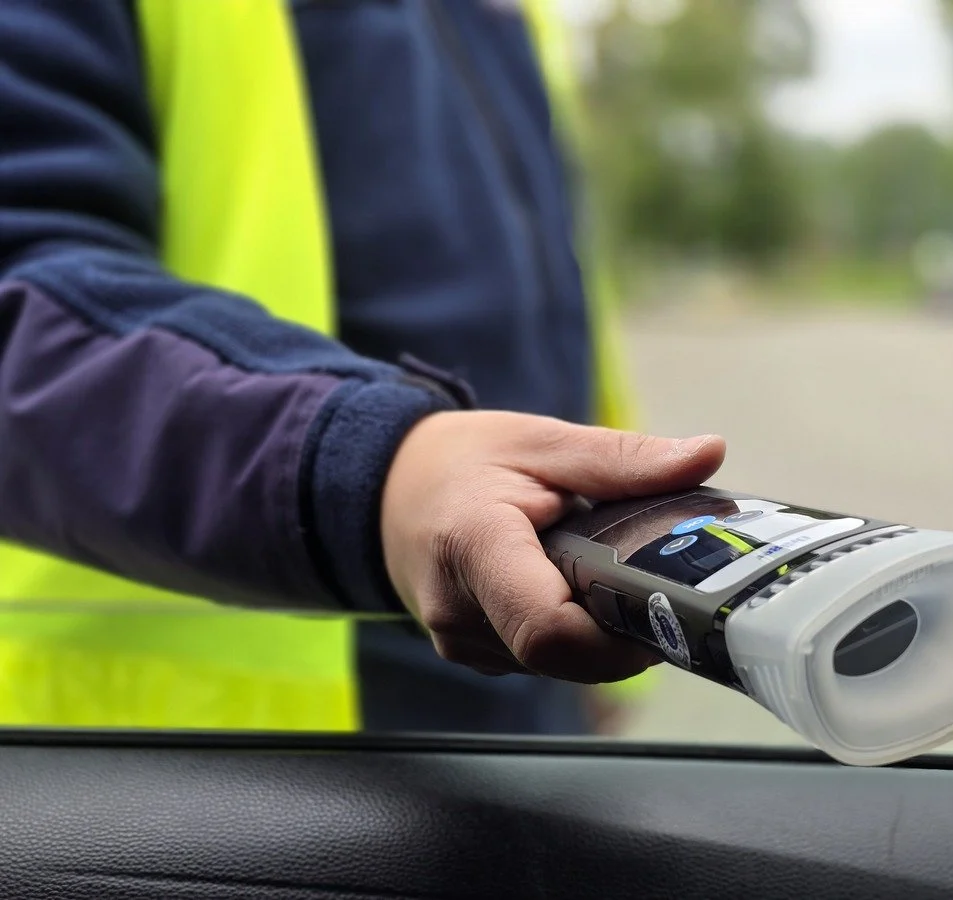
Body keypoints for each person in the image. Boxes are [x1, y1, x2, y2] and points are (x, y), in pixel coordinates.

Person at [0, 1, 727, 734]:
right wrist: (374, 468)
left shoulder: (518, 15)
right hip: (181, 765)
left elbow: (551, 319)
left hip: (519, 684)